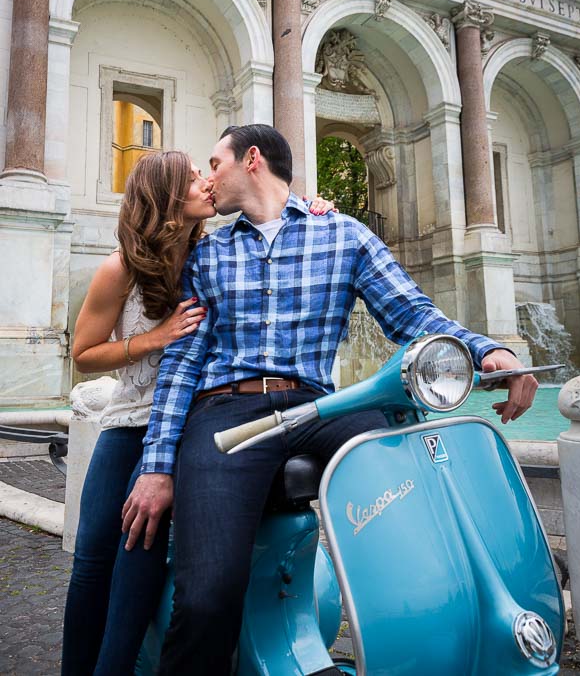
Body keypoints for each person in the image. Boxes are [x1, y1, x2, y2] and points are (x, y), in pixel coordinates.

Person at [123, 125, 538, 676]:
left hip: (319, 409)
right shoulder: (207, 252)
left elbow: (412, 316)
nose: (208, 176)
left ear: (252, 160)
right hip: (225, 415)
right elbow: (182, 365)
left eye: (214, 162)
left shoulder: (345, 235)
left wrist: (488, 352)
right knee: (206, 597)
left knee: (409, 440)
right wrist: (157, 467)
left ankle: (460, 605)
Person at [61, 148, 336, 676]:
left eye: (207, 172)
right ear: (165, 196)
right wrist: (152, 340)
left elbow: (274, 220)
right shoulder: (122, 266)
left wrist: (311, 208)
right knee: (93, 557)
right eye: (192, 179)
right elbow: (83, 355)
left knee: (140, 556)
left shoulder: (212, 253)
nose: (208, 183)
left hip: (188, 426)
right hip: (129, 423)